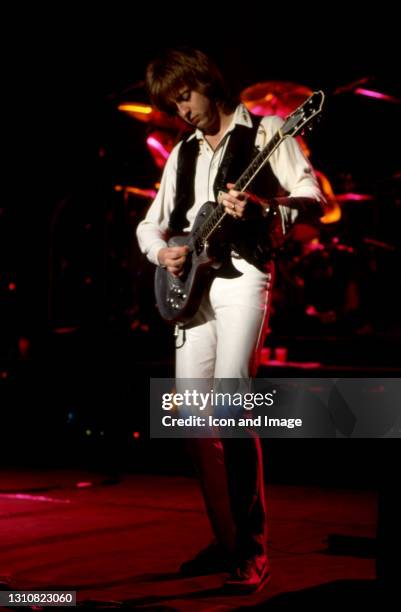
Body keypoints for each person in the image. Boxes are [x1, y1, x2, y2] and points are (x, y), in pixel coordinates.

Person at [136, 47, 325, 593]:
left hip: (244, 276)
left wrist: (267, 209)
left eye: (185, 96)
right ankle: (226, 539)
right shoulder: (183, 152)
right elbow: (152, 224)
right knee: (193, 421)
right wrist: (162, 254)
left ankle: (253, 547)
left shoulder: (268, 132)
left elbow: (312, 196)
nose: (183, 110)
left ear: (205, 83)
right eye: (172, 105)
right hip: (192, 286)